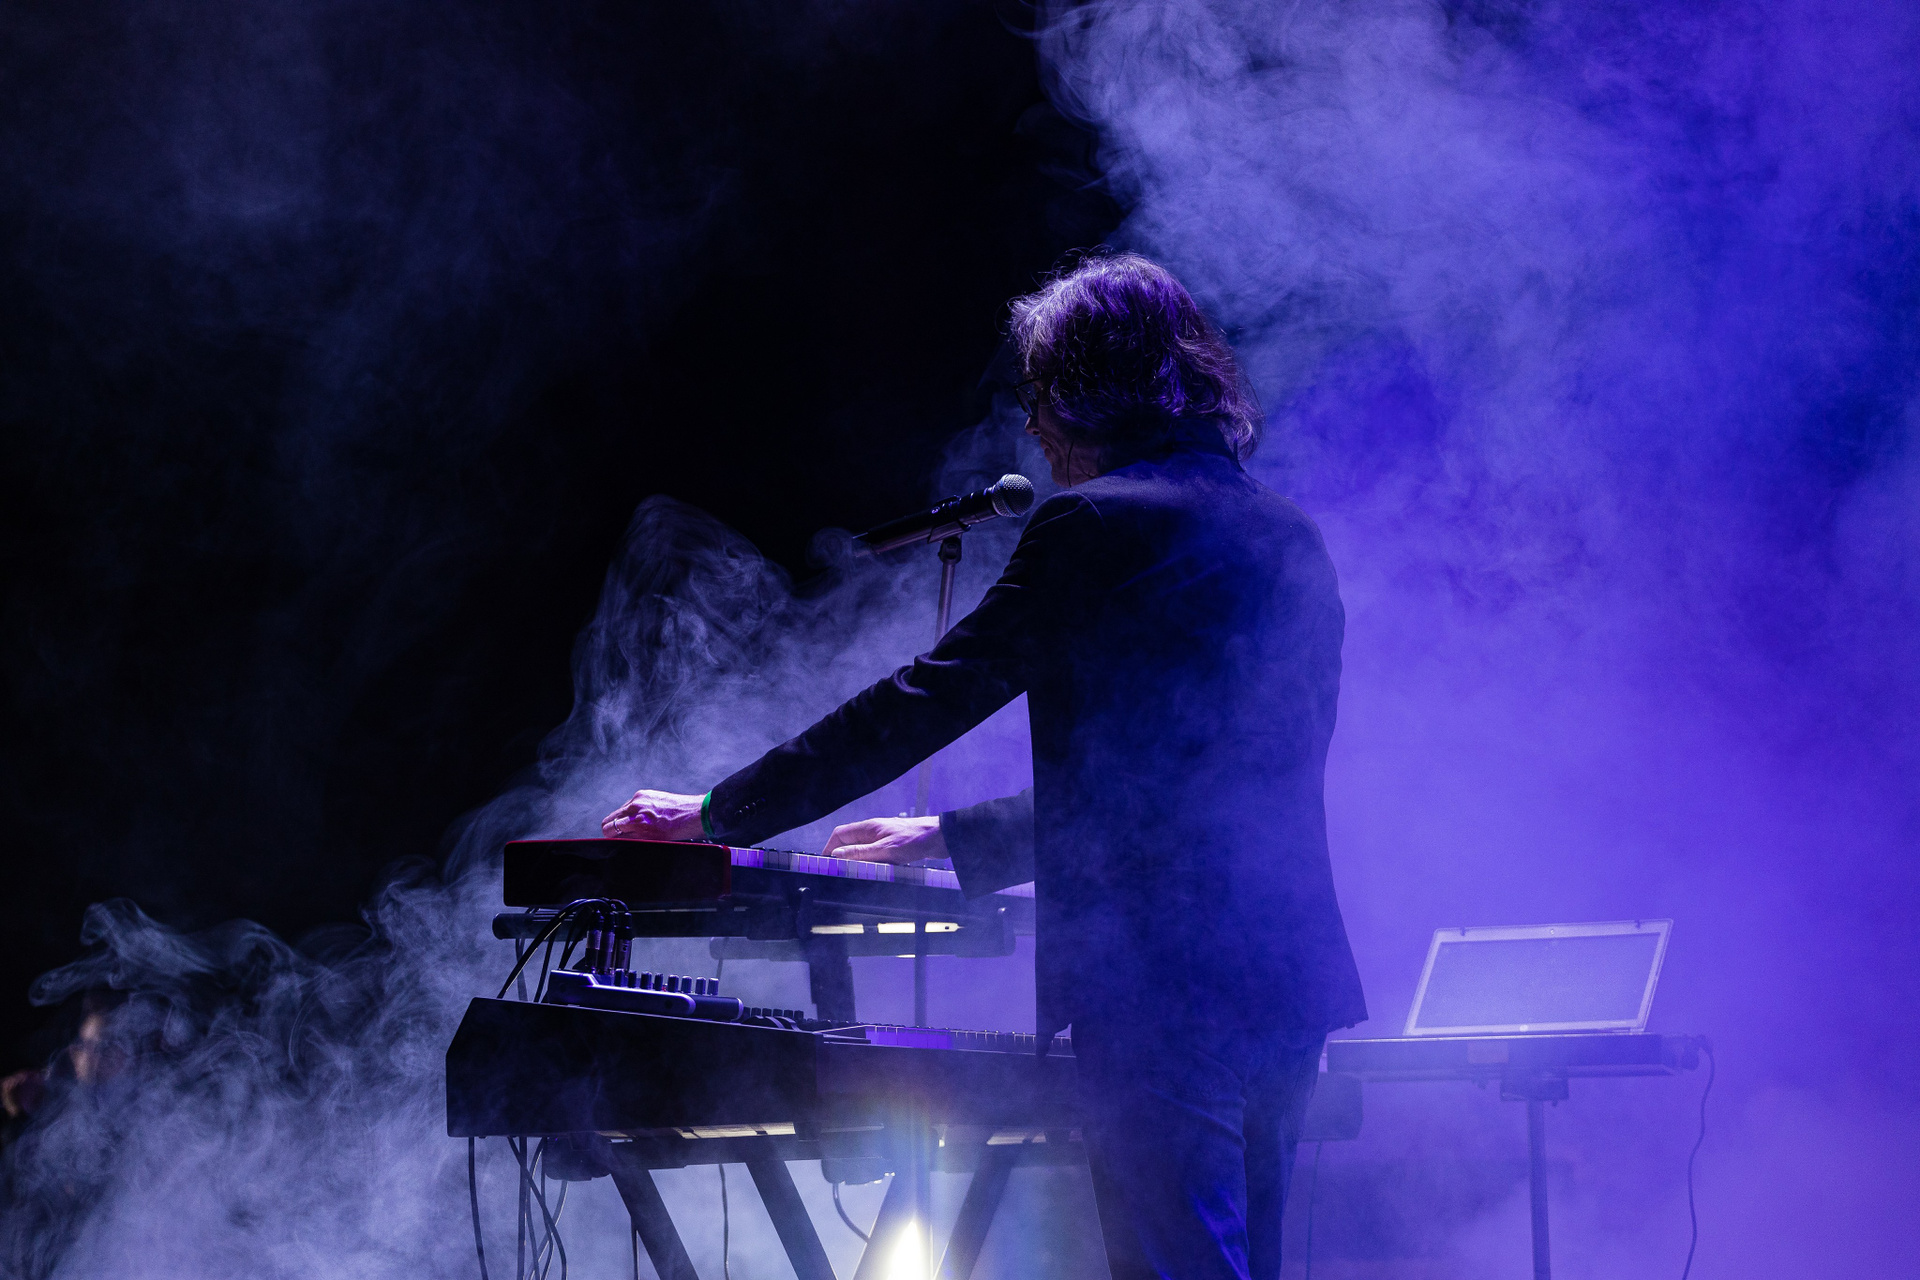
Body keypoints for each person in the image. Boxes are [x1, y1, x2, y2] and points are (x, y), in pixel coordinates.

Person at [602, 252, 1367, 1280]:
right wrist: (947, 835)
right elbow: (1201, 786)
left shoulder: (1094, 522)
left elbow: (923, 700)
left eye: (1039, 393)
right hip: (1284, 972)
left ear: (1088, 388)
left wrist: (717, 812)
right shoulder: (1288, 534)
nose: (1034, 429)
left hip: (1159, 982)